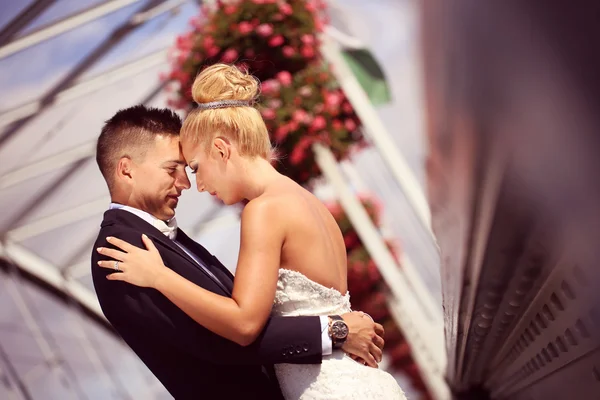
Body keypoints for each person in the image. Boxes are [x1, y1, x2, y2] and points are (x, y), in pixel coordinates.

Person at [96, 64, 406, 399]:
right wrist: (337, 329)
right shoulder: (120, 252)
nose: (193, 185)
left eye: (194, 169)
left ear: (221, 149)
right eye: (175, 170)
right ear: (125, 169)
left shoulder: (263, 210)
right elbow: (218, 338)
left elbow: (242, 323)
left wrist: (160, 277)